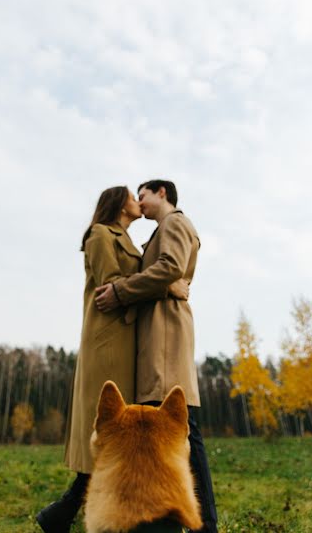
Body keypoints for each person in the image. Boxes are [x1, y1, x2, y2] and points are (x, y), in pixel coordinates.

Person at [36, 185, 188, 533]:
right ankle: (70, 511)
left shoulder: (124, 238)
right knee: (106, 426)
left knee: (114, 429)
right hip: (107, 342)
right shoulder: (101, 234)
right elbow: (111, 286)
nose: (138, 202)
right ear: (120, 205)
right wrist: (168, 287)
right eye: (133, 197)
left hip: (123, 339)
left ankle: (62, 513)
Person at [96, 179, 218, 533]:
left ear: (161, 193)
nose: (140, 202)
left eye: (143, 194)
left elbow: (168, 268)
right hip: (157, 337)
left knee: (184, 432)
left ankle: (203, 525)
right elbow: (165, 276)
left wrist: (120, 291)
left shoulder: (175, 223)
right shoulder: (162, 230)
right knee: (172, 434)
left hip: (166, 340)